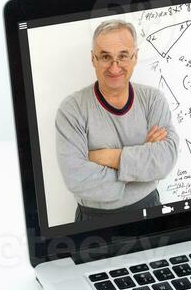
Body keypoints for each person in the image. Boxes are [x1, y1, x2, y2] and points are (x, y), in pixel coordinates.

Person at [55, 20, 178, 223]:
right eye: (105, 57)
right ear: (93, 59)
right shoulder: (72, 109)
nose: (114, 67)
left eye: (123, 56)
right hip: (95, 220)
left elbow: (164, 161)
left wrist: (102, 157)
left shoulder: (153, 99)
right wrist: (141, 166)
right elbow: (75, 176)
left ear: (135, 57)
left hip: (150, 210)